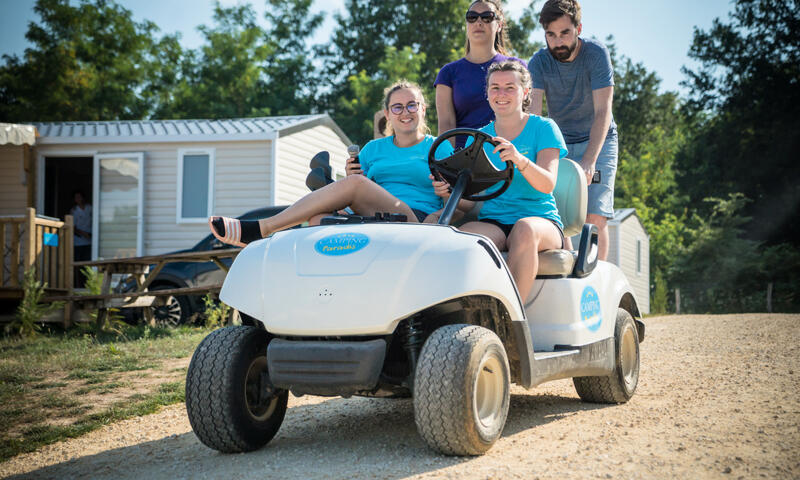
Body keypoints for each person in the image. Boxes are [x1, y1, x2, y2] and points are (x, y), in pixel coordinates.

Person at [209, 81, 453, 247]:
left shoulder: (439, 146)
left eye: (412, 105)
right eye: (397, 107)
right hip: (372, 216)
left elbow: (456, 199)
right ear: (387, 114)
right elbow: (363, 189)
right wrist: (351, 183)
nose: (405, 112)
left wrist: (439, 215)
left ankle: (263, 228)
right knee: (318, 219)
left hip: (413, 219)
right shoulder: (372, 149)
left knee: (355, 183)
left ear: (423, 109)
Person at [449, 61, 567, 303]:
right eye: (495, 88)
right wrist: (448, 190)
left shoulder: (544, 128)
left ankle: (512, 320)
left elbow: (547, 184)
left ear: (525, 93)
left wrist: (519, 159)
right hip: (495, 221)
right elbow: (470, 204)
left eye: (509, 88)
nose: (501, 94)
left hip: (540, 220)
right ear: (487, 93)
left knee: (524, 230)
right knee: (460, 238)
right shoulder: (481, 136)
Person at [527, 0, 617, 260]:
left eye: (564, 33)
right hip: (560, 140)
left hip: (598, 136)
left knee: (594, 216)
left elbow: (603, 111)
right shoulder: (539, 62)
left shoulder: (596, 55)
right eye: (551, 35)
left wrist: (589, 160)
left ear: (578, 28)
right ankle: (570, 275)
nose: (558, 42)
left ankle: (597, 283)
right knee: (558, 214)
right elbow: (534, 115)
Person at [434, 0, 527, 147]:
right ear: (466, 24)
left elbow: (526, 116)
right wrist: (447, 164)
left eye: (487, 17)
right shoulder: (448, 73)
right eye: (472, 17)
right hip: (463, 158)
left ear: (499, 25)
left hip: (509, 153)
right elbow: (446, 125)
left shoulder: (517, 67)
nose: (478, 22)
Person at [70, 189, 92, 287]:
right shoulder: (74, 211)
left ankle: (89, 284)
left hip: (89, 242)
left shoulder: (89, 208)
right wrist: (84, 234)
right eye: (76, 198)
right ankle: (79, 286)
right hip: (78, 242)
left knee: (88, 265)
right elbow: (73, 227)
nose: (78, 199)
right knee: (79, 266)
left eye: (79, 197)